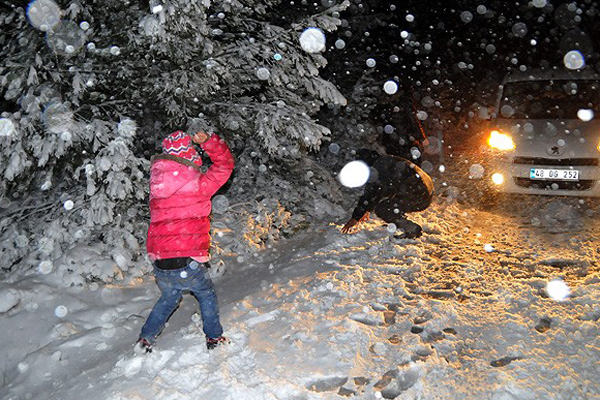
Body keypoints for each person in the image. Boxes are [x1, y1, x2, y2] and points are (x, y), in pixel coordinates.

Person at [137, 129, 234, 353]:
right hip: (185, 259)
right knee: (205, 293)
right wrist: (210, 143)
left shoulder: (156, 189)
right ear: (190, 158)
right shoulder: (197, 185)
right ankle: (214, 337)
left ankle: (146, 338)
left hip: (160, 260)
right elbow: (225, 166)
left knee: (169, 297)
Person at [341, 149, 434, 239]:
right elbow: (379, 191)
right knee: (392, 200)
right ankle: (397, 219)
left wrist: (355, 218)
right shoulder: (385, 161)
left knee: (383, 209)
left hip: (420, 195)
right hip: (425, 191)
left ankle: (411, 228)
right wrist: (367, 209)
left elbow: (371, 193)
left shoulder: (377, 168)